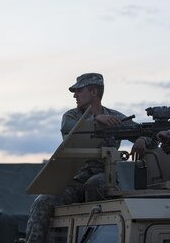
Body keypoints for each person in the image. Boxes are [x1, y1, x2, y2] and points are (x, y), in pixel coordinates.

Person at [25, 73, 154, 243]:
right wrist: (95, 120)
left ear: (93, 92)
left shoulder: (115, 118)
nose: (75, 95)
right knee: (42, 202)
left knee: (93, 185)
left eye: (79, 91)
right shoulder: (72, 116)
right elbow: (69, 128)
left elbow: (151, 135)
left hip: (105, 177)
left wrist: (142, 139)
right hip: (75, 179)